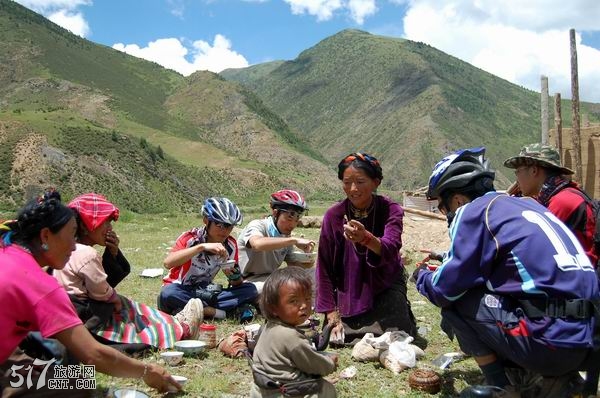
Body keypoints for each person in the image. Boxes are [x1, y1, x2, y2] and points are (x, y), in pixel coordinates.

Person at [414, 147, 600, 397]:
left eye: (442, 207)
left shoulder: (473, 211)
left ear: (457, 200)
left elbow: (443, 289)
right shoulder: (527, 207)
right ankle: (555, 379)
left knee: (461, 299)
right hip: (588, 340)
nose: (445, 214)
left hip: (552, 344)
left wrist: (422, 276)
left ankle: (502, 387)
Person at [0, 190, 180, 395]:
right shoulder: (39, 283)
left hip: (8, 354)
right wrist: (148, 371)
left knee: (58, 374)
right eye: (71, 235)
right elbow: (93, 355)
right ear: (45, 236)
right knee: (76, 384)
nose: (73, 245)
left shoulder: (7, 252)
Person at [54, 193, 203, 349]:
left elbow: (97, 282)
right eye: (105, 222)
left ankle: (174, 323)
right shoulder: (87, 254)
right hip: (88, 318)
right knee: (129, 317)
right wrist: (114, 299)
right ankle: (180, 331)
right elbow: (100, 291)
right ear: (85, 226)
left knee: (131, 307)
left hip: (73, 314)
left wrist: (113, 253)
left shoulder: (64, 251)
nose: (110, 228)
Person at [315, 152, 416, 345]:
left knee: (397, 329)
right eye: (347, 182)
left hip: (384, 283)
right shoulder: (333, 216)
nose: (353, 189)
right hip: (348, 289)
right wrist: (330, 312)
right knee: (338, 335)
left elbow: (391, 246)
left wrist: (366, 239)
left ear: (376, 182)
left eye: (360, 182)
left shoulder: (390, 209)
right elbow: (324, 266)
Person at [158, 197, 258, 322]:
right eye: (219, 225)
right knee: (167, 293)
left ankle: (194, 310)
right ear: (206, 220)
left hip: (204, 291)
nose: (225, 231)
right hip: (181, 290)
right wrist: (201, 247)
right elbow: (168, 263)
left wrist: (235, 276)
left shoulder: (230, 245)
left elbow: (236, 284)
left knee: (250, 290)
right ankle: (218, 313)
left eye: (229, 226)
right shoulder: (190, 239)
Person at [504, 143, 598, 267]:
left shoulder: (563, 201)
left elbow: (533, 245)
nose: (516, 180)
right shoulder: (555, 196)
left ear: (534, 170)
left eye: (518, 172)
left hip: (578, 281)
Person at [250, 267, 337, 398]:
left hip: (261, 388)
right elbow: (313, 364)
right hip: (282, 392)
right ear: (273, 308)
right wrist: (330, 363)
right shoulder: (291, 337)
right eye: (294, 301)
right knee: (326, 389)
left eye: (307, 299)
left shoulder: (269, 327)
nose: (303, 305)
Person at [237, 190, 315, 294]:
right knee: (282, 287)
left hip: (270, 279)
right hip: (247, 282)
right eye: (290, 216)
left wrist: (307, 260)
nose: (293, 224)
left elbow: (293, 266)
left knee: (314, 275)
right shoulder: (258, 225)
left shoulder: (285, 237)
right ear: (275, 212)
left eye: (297, 218)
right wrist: (293, 240)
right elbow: (257, 244)